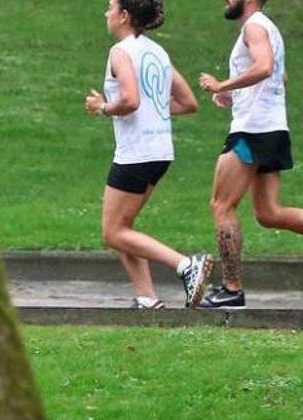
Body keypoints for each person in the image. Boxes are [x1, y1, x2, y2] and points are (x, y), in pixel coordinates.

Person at [197, 0, 303, 309]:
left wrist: (222, 83)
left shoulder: (254, 26)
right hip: (273, 129)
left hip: (252, 130)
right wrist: (234, 93)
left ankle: (232, 288)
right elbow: (280, 76)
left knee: (221, 205)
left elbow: (264, 67)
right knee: (268, 213)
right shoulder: (268, 29)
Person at [85, 0, 213, 309]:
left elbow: (129, 99)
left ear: (124, 16)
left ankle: (186, 265)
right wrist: (153, 110)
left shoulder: (121, 52)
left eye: (110, 7)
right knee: (123, 227)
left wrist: (102, 107)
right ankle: (147, 297)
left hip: (136, 154)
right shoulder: (157, 52)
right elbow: (188, 103)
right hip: (159, 152)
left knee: (113, 232)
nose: (106, 13)